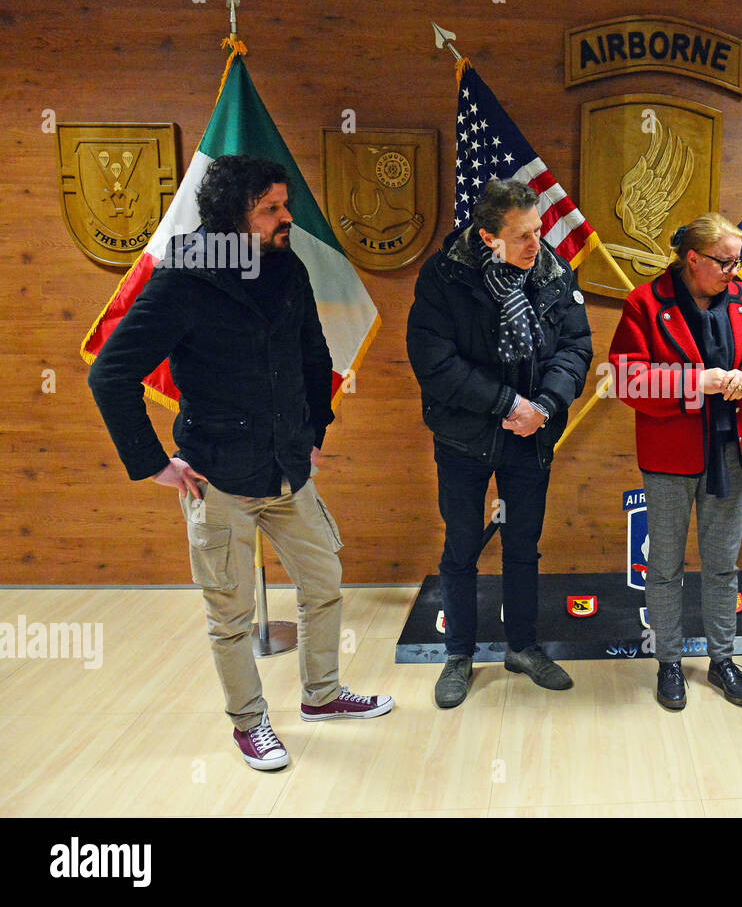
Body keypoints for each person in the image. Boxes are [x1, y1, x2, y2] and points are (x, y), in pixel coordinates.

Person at [88, 154, 392, 772]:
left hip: (287, 467)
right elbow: (110, 375)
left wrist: (315, 431)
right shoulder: (184, 280)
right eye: (270, 210)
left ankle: (323, 694)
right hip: (217, 475)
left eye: (285, 204)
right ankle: (249, 724)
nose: (287, 218)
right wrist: (154, 464)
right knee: (231, 615)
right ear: (233, 220)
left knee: (324, 580)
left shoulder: (286, 265)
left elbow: (313, 352)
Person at [407, 179, 592, 709]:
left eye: (537, 230)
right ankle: (459, 654)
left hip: (531, 435)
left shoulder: (553, 272)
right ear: (487, 236)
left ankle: (523, 648)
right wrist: (507, 403)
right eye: (521, 236)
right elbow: (435, 363)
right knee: (462, 547)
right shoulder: (445, 276)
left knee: (522, 548)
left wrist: (545, 407)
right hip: (466, 437)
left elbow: (576, 347)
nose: (536, 244)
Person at [609, 213, 742, 710]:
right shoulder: (644, 304)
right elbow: (626, 380)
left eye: (738, 261)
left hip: (731, 453)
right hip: (670, 456)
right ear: (692, 259)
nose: (735, 270)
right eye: (725, 262)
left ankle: (722, 660)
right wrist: (696, 383)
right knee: (665, 566)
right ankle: (669, 662)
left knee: (722, 566)